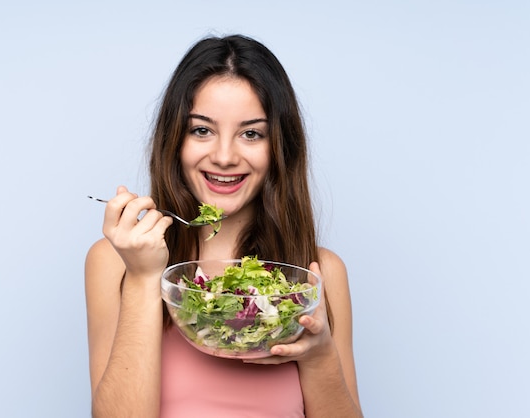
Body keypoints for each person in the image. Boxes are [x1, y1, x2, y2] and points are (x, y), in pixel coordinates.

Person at [85, 34, 362, 417]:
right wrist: (143, 277)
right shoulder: (115, 261)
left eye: (251, 133)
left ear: (279, 147)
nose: (225, 156)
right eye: (202, 130)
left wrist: (319, 356)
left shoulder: (319, 275)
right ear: (174, 140)